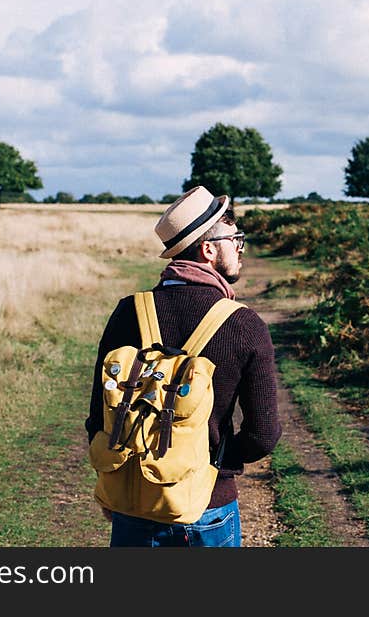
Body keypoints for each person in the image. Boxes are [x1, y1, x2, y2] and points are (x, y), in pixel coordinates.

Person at [85, 185, 282, 547]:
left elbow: (99, 415)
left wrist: (119, 479)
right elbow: (263, 434)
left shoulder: (129, 311)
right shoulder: (244, 324)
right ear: (208, 250)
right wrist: (211, 465)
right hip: (207, 506)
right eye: (234, 237)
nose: (240, 247)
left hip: (133, 502)